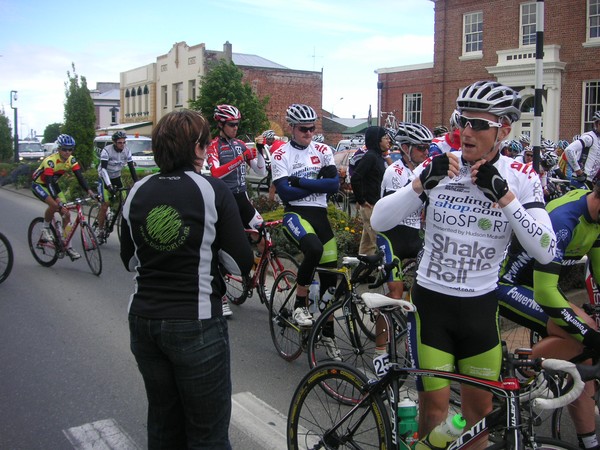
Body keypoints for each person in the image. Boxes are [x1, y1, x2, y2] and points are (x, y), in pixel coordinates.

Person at [371, 80, 556, 435]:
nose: (467, 132)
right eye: (462, 121)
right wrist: (421, 182)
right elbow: (380, 220)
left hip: (480, 308)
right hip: (432, 305)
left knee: (478, 422)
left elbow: (546, 250)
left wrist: (505, 199)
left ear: (503, 128)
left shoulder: (520, 177)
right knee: (435, 415)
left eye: (479, 124)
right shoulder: (440, 165)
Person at [120, 109, 253, 449]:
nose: (209, 148)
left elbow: (128, 258)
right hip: (196, 323)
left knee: (164, 425)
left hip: (145, 320)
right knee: (207, 434)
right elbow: (240, 262)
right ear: (196, 148)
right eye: (206, 142)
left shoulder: (137, 190)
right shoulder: (212, 190)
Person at [497, 186, 600, 450]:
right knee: (583, 335)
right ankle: (515, 375)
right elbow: (545, 293)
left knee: (584, 354)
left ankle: (589, 441)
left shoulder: (595, 217)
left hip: (541, 285)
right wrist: (588, 333)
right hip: (509, 285)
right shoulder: (564, 221)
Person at [271, 104, 340, 356]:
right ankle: (300, 303)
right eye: (303, 129)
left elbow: (334, 185)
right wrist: (317, 184)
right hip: (295, 214)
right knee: (313, 248)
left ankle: (328, 335)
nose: (308, 132)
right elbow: (285, 192)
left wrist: (299, 180)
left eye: (312, 128)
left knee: (330, 283)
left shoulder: (323, 150)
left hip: (319, 215)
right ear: (292, 128)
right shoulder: (280, 155)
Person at [372, 122, 433, 374]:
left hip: (414, 236)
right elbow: (398, 208)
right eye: (420, 148)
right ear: (405, 147)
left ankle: (411, 347)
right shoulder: (394, 172)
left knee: (419, 296)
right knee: (395, 295)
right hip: (392, 236)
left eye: (428, 147)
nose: (426, 152)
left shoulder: (426, 169)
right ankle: (380, 352)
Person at [207, 104, 267, 316]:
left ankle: (261, 283)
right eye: (232, 125)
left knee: (266, 240)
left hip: (242, 200)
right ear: (221, 124)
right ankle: (221, 295)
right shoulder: (213, 146)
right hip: (223, 202)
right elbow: (215, 173)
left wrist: (259, 152)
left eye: (237, 124)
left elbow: (261, 171)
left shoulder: (240, 144)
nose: (235, 128)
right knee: (220, 250)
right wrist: (239, 160)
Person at [31, 134, 96, 260]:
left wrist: (89, 191)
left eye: (70, 149)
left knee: (66, 215)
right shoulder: (50, 161)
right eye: (64, 149)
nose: (67, 152)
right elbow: (48, 182)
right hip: (40, 184)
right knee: (55, 205)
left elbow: (80, 177)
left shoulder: (71, 160)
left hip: (53, 185)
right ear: (59, 149)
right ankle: (45, 228)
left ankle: (68, 246)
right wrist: (57, 200)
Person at [350, 126, 393, 255]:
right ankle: (387, 274)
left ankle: (361, 273)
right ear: (377, 140)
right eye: (385, 138)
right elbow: (356, 178)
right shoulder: (370, 157)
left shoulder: (379, 157)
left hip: (377, 205)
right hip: (371, 207)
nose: (388, 141)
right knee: (381, 244)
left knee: (367, 246)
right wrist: (361, 200)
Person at [95, 131, 138, 242]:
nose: (122, 145)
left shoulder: (127, 151)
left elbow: (131, 168)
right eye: (119, 142)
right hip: (105, 178)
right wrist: (109, 186)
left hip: (117, 177)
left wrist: (137, 183)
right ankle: (100, 230)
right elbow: (103, 170)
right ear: (114, 142)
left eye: (124, 142)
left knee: (124, 201)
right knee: (105, 205)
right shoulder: (106, 151)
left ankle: (119, 220)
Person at [565, 111, 600, 188]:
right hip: (580, 180)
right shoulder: (589, 137)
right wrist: (578, 171)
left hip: (592, 181)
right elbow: (569, 150)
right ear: (596, 124)